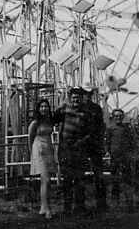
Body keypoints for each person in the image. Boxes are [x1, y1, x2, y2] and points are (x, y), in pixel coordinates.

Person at [53, 86, 93, 217]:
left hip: (80, 149)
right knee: (67, 179)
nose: (76, 99)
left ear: (82, 99)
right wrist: (58, 107)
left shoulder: (86, 113)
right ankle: (67, 208)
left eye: (78, 98)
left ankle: (80, 207)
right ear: (71, 98)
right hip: (66, 149)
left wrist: (81, 142)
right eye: (74, 97)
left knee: (80, 179)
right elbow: (53, 120)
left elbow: (90, 133)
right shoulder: (65, 109)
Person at [28, 98, 56, 219]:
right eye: (42, 107)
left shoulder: (50, 121)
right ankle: (48, 209)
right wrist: (32, 156)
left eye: (46, 107)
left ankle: (43, 207)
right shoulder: (35, 123)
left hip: (48, 150)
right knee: (47, 180)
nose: (44, 109)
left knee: (45, 182)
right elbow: (30, 139)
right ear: (38, 109)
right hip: (38, 151)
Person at [83, 82, 108, 211]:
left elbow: (101, 126)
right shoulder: (78, 107)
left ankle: (101, 203)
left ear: (92, 94)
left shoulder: (97, 108)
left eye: (89, 93)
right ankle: (80, 204)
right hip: (82, 144)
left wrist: (101, 143)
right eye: (85, 93)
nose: (87, 95)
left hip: (94, 143)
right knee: (80, 174)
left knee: (99, 174)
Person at [106, 109, 134, 212]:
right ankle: (115, 204)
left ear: (123, 117)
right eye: (116, 116)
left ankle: (129, 204)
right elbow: (107, 143)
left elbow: (131, 142)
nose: (118, 118)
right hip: (115, 158)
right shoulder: (111, 128)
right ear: (113, 117)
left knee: (127, 180)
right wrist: (109, 154)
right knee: (115, 181)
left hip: (125, 157)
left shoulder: (127, 128)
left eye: (120, 116)